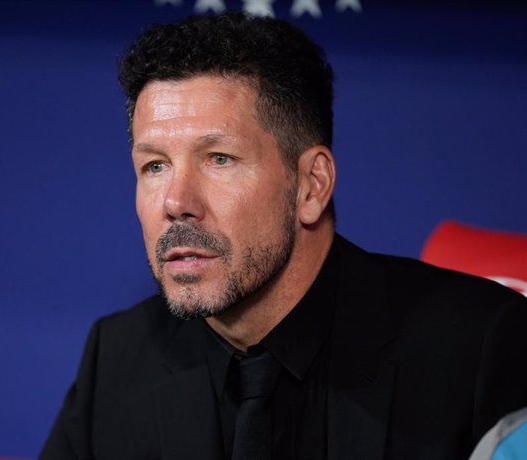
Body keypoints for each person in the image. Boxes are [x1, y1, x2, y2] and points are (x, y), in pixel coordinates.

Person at [40, 12, 527, 460]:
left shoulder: (479, 349)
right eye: (155, 166)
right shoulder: (118, 357)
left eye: (219, 159)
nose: (175, 201)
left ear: (311, 186)